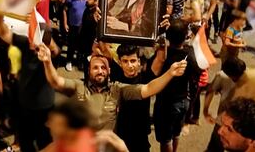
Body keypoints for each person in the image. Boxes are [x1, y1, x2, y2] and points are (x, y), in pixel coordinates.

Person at [37, 41, 187, 131]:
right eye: (95, 68)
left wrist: (170, 73)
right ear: (88, 71)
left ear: (109, 71)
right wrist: (47, 61)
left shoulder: (117, 89)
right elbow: (55, 81)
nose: (100, 71)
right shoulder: (78, 86)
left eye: (103, 68)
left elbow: (148, 88)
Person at [0, 7, 60, 152]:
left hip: (41, 104)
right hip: (23, 99)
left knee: (44, 139)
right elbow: (3, 32)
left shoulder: (47, 55)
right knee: (25, 136)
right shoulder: (22, 44)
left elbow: (54, 50)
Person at [153, 19, 201, 152]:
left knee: (165, 139)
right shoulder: (189, 54)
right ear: (185, 36)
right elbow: (198, 73)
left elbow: (153, 71)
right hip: (183, 101)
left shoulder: (165, 57)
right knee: (176, 133)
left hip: (166, 103)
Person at [110, 45, 163, 152]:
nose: (130, 65)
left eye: (133, 61)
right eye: (125, 61)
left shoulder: (146, 78)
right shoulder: (115, 77)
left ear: (139, 62)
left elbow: (160, 59)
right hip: (120, 132)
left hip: (140, 134)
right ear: (120, 63)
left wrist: (162, 43)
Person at [204, 57, 247, 152]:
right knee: (215, 147)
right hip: (223, 122)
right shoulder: (222, 76)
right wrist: (205, 111)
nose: (239, 78)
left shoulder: (250, 79)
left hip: (242, 125)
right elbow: (210, 91)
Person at [63, 0, 87, 71]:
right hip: (73, 26)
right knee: (71, 45)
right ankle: (69, 61)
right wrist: (65, 23)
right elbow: (65, 10)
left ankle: (79, 62)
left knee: (81, 46)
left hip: (83, 27)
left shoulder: (88, 0)